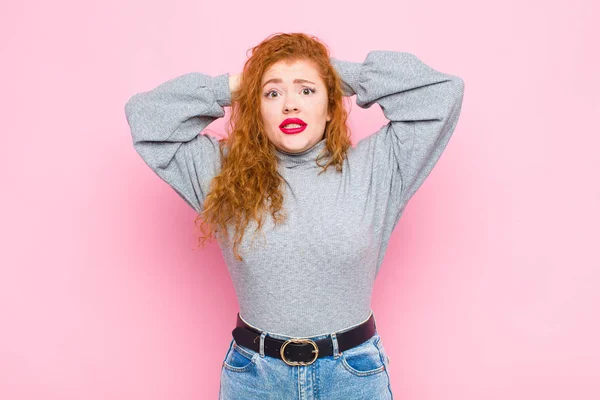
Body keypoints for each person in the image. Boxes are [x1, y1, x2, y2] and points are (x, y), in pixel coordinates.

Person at [124, 32, 464, 399]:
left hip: (352, 378)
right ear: (255, 108)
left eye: (307, 91)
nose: (290, 105)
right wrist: (238, 85)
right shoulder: (222, 173)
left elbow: (443, 92)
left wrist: (331, 74)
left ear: (332, 105)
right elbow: (145, 117)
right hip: (254, 380)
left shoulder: (377, 167)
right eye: (273, 94)